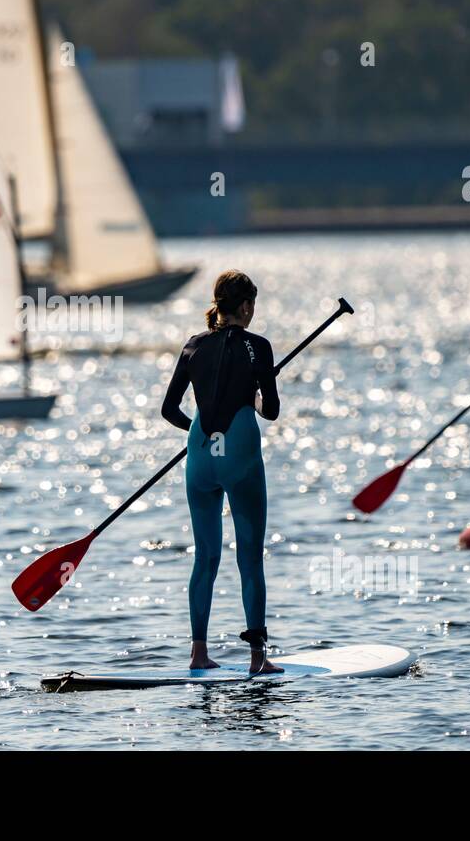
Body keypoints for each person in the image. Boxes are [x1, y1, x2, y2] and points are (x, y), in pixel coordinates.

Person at [161, 270, 282, 674]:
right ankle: (257, 659)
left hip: (200, 457)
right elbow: (271, 412)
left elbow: (169, 410)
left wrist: (200, 435)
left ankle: (198, 653)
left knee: (205, 558)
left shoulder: (193, 345)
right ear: (246, 307)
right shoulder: (258, 347)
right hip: (241, 455)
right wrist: (262, 388)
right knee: (249, 557)